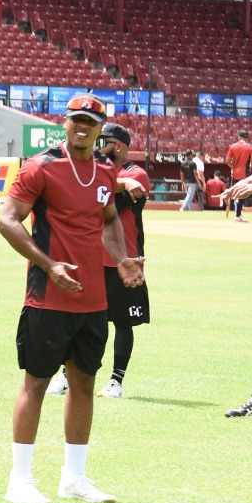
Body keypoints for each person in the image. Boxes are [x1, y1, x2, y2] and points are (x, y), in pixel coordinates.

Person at [0, 93, 142, 503]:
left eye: (90, 121)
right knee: (37, 382)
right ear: (66, 122)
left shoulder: (105, 171)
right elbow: (8, 221)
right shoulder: (41, 167)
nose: (82, 126)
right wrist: (48, 265)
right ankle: (19, 481)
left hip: (93, 300)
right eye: (76, 119)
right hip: (47, 298)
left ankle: (74, 478)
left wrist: (123, 259)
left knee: (83, 382)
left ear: (101, 128)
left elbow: (109, 221)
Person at [94, 123, 151, 399]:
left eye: (103, 141)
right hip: (93, 259)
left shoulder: (135, 173)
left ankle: (116, 381)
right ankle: (69, 374)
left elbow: (107, 208)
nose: (97, 145)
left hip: (123, 261)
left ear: (118, 145)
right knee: (83, 321)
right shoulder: (98, 171)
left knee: (122, 323)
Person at [226, 129, 252, 221]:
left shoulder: (233, 146)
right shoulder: (250, 147)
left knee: (237, 193)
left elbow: (227, 160)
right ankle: (238, 215)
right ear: (246, 138)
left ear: (238, 137)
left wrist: (233, 167)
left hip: (235, 173)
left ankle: (238, 214)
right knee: (242, 194)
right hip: (245, 173)